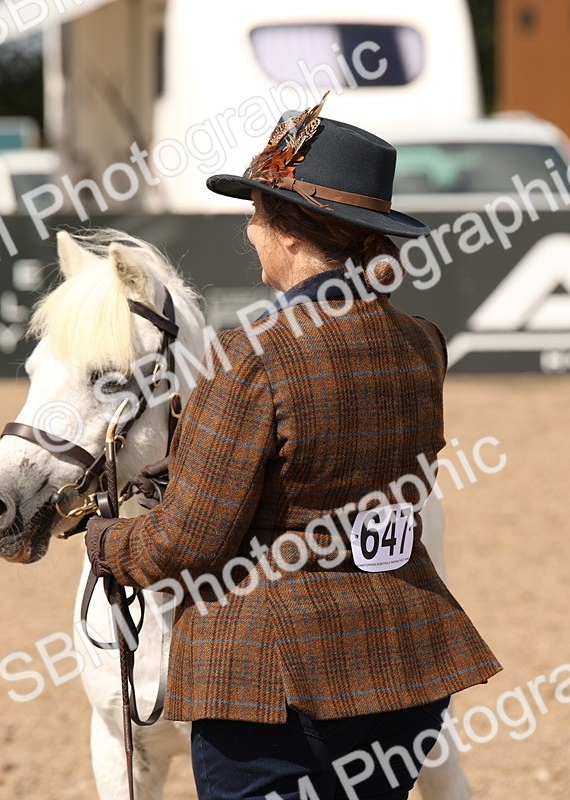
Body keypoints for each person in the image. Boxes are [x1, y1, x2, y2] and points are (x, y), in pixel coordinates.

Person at [85, 98, 501, 799]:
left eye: (256, 214)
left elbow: (183, 544)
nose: (249, 231)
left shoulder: (249, 357)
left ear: (288, 233)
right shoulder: (421, 343)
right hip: (403, 670)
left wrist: (104, 539)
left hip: (276, 691)